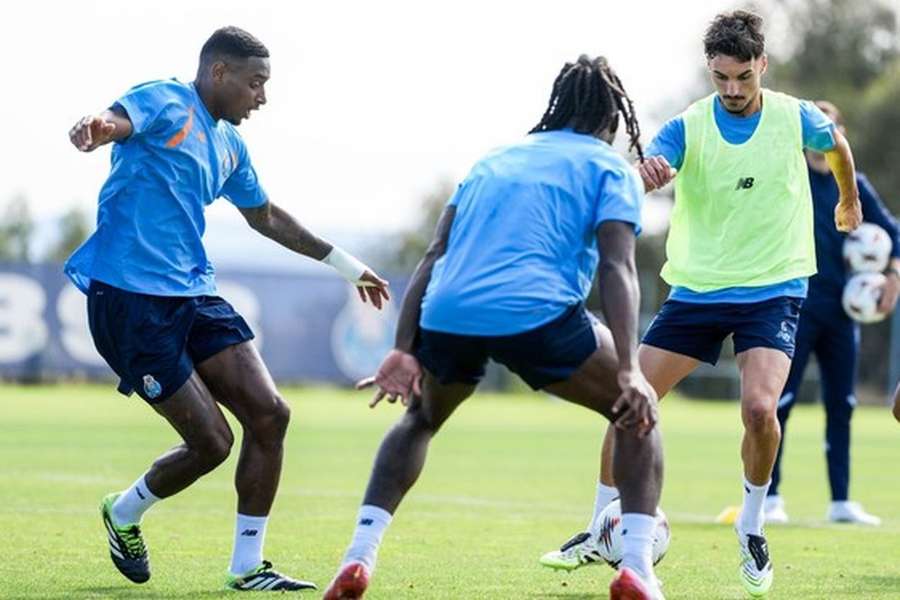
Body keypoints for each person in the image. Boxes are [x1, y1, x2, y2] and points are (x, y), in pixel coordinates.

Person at [538, 11, 862, 598]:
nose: (733, 90)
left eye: (743, 77)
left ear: (761, 65)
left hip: (773, 287)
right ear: (709, 71)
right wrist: (647, 177)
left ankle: (753, 523)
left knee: (761, 410)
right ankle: (597, 527)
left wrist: (847, 200)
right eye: (721, 79)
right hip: (697, 289)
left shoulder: (794, 116)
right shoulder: (689, 126)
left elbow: (836, 144)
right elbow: (641, 173)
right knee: (626, 402)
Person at [322, 55, 665, 600]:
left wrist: (403, 348)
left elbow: (434, 255)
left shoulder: (493, 160)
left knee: (420, 421)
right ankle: (639, 569)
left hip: (449, 313)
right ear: (612, 120)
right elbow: (618, 267)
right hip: (537, 315)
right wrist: (629, 370)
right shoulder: (610, 167)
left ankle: (358, 556)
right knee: (636, 416)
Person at [65, 26, 390, 592]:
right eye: (255, 83)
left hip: (192, 293)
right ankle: (124, 512)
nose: (261, 97)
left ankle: (248, 568)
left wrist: (344, 263)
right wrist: (97, 128)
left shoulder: (229, 144)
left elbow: (264, 216)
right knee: (213, 443)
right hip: (129, 302)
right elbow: (117, 121)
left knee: (271, 415)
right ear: (219, 73)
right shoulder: (167, 99)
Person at [764, 101, 900, 527]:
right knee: (778, 404)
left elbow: (894, 233)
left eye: (831, 130)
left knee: (842, 405)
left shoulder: (854, 183)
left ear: (839, 135)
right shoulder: (791, 181)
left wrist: (892, 276)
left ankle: (840, 501)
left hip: (843, 314)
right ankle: (770, 497)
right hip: (795, 309)